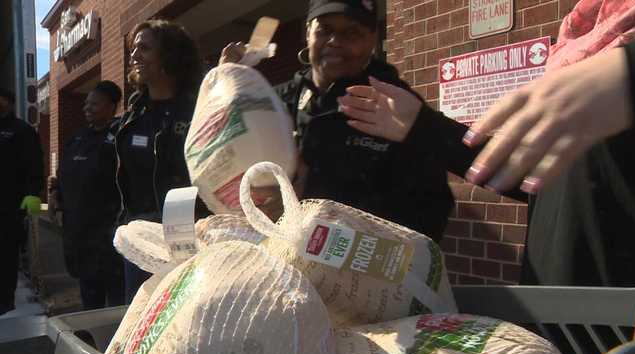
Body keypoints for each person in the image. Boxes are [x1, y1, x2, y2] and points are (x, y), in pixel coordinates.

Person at [220, 0, 489, 241]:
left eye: (351, 33)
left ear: (372, 39)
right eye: (324, 29)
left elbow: (432, 207)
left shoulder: (394, 105)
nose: (335, 41)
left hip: (367, 274)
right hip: (285, 263)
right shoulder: (276, 101)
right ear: (308, 33)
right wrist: (229, 85)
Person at [463, 40, 635, 286]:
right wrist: (423, 127)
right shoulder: (578, 49)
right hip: (556, 308)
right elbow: (538, 181)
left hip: (618, 312)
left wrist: (632, 69)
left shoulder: (619, 67)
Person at [117, 19, 205, 302]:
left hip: (190, 241)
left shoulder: (200, 108)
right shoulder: (134, 115)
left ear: (169, 54)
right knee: (139, 319)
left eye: (144, 48)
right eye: (134, 48)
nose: (134, 55)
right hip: (141, 241)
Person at [48, 81, 125, 310]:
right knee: (89, 295)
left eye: (94, 103)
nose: (87, 108)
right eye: (86, 103)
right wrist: (54, 196)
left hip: (108, 235)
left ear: (112, 106)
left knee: (116, 299)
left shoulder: (120, 136)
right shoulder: (78, 139)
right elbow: (62, 175)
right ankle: (93, 336)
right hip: (79, 234)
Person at [0, 88, 43, 315]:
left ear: (7, 102)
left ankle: (5, 302)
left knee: (6, 254)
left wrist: (33, 196)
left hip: (10, 206)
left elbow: (34, 166)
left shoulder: (22, 131)